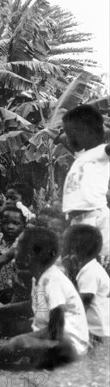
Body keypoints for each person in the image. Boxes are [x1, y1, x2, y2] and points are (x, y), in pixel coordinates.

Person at [0, 227, 88, 368]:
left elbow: (55, 331)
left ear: (30, 256)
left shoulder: (53, 281)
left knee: (20, 343)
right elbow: (34, 306)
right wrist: (2, 310)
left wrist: (23, 337)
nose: (15, 253)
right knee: (4, 319)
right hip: (45, 331)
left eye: (19, 249)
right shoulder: (39, 277)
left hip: (68, 346)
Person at [59, 105, 110, 272]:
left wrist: (103, 130)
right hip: (77, 219)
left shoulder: (101, 152)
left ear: (87, 133)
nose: (67, 137)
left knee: (99, 263)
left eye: (71, 134)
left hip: (94, 216)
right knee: (76, 264)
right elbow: (60, 137)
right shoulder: (81, 156)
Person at [62, 225, 109, 345]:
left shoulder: (90, 273)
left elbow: (80, 306)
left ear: (74, 249)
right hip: (97, 329)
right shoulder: (89, 269)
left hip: (96, 333)